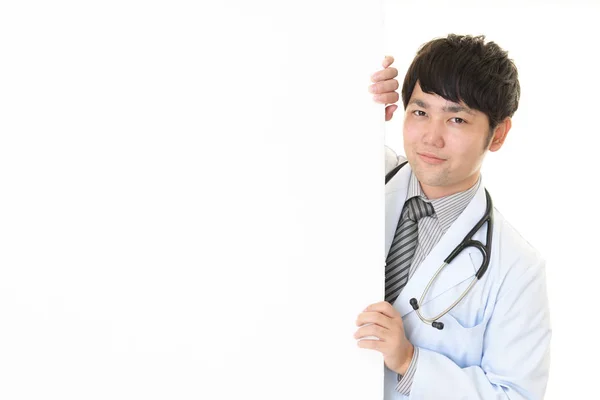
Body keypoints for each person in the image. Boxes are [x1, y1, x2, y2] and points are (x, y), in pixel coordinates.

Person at [353, 34, 551, 399]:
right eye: (420, 112)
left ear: (498, 134)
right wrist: (352, 111)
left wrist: (410, 361)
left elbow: (516, 395)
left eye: (456, 119)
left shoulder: (518, 268)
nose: (431, 137)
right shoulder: (360, 176)